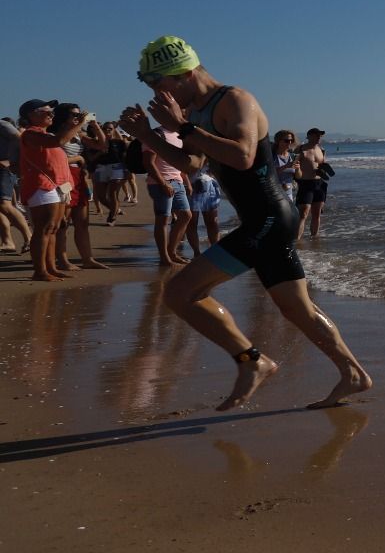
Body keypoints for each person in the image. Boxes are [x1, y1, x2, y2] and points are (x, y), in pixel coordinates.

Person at [120, 35, 371, 410]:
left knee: (179, 293)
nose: (159, 94)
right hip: (265, 221)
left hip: (268, 219)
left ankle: (252, 362)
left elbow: (242, 156)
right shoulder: (196, 112)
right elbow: (193, 164)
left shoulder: (235, 100)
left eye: (160, 83)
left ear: (185, 72)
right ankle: (353, 374)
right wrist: (147, 136)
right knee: (297, 309)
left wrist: (183, 127)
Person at [17, 99, 84, 281]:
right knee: (44, 228)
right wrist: (79, 124)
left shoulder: (43, 133)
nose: (50, 114)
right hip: (41, 186)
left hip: (57, 187)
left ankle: (50, 267)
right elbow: (59, 140)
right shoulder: (31, 134)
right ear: (31, 115)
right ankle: (40, 271)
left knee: (53, 228)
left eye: (51, 111)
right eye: (45, 111)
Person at [50, 103, 108, 271]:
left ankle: (87, 258)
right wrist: (77, 159)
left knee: (82, 221)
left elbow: (102, 146)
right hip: (63, 178)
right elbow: (53, 159)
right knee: (63, 223)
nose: (77, 118)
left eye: (78, 115)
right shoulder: (55, 133)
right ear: (63, 116)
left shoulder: (79, 133)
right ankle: (62, 259)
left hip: (78, 178)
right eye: (74, 115)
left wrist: (96, 127)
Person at [145, 124, 193, 266]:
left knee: (186, 216)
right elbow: (148, 162)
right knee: (163, 220)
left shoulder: (179, 135)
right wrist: (163, 184)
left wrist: (187, 182)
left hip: (177, 181)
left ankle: (172, 252)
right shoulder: (157, 134)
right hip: (160, 182)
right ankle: (164, 257)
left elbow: (179, 162)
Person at [0, 115, 32, 255]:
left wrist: (10, 160)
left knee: (4, 204)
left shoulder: (2, 124)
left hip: (4, 168)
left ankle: (29, 237)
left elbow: (19, 138)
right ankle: (7, 241)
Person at [295, 127, 329, 241]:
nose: (319, 137)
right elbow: (292, 166)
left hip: (319, 183)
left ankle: (314, 239)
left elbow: (324, 165)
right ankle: (296, 241)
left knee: (317, 214)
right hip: (305, 183)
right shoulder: (300, 149)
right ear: (309, 136)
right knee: (303, 213)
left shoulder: (322, 150)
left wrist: (323, 170)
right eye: (316, 135)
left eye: (320, 135)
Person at [186, 162, 224, 253]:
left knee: (212, 222)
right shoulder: (186, 147)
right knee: (192, 223)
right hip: (190, 184)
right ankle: (197, 253)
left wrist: (211, 173)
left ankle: (215, 252)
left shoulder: (211, 149)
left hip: (209, 183)